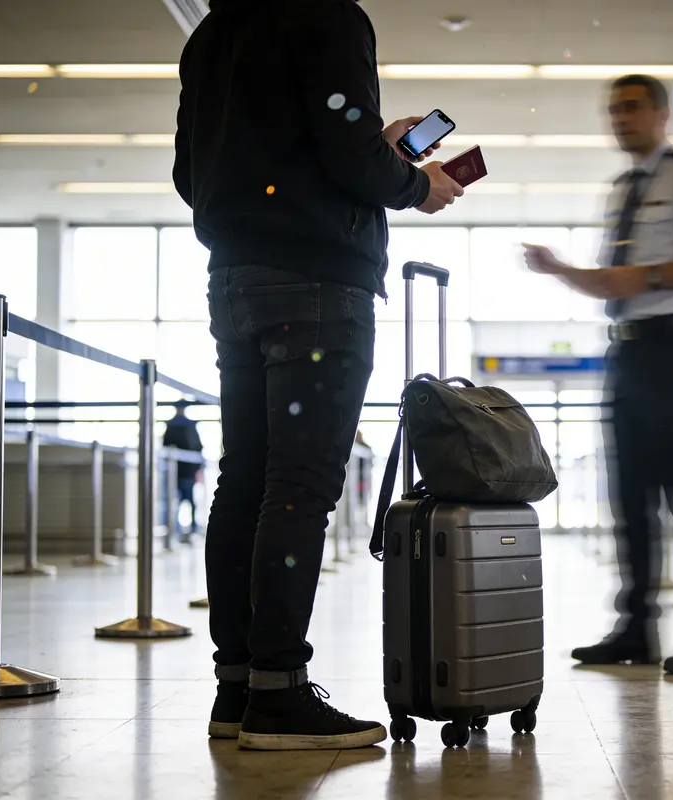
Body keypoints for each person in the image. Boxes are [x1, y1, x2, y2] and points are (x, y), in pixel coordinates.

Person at [174, 0, 463, 751]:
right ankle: (280, 693)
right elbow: (347, 159)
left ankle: (236, 689)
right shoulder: (327, 15)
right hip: (318, 282)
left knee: (246, 481)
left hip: (235, 279)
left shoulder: (214, 33)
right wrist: (413, 182)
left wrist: (374, 147)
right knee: (298, 488)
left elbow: (189, 173)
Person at [523, 74, 673, 674]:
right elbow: (611, 282)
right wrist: (559, 269)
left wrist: (647, 278)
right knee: (631, 493)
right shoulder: (623, 188)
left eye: (632, 107)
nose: (620, 118)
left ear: (662, 113)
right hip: (629, 350)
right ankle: (635, 628)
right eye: (613, 109)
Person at [163, 401, 204, 540]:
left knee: (181, 501)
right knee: (179, 501)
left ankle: (180, 531)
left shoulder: (174, 425)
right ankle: (179, 531)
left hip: (181, 471)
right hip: (181, 471)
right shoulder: (187, 425)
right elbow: (197, 447)